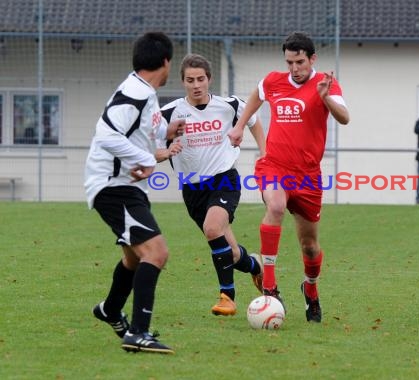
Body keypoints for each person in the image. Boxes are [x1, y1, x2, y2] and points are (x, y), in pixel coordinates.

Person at [228, 31, 350, 323]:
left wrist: (326, 99)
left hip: (308, 176)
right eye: (289, 62)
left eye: (299, 62)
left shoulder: (325, 84)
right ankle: (269, 285)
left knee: (309, 247)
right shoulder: (273, 80)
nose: (294, 68)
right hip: (275, 165)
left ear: (312, 59)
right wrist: (240, 126)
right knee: (276, 206)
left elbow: (345, 117)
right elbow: (257, 95)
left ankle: (310, 289)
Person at [84, 32, 184, 354]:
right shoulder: (135, 92)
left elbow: (138, 131)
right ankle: (139, 333)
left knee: (132, 258)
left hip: (128, 186)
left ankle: (110, 310)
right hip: (114, 187)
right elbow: (106, 135)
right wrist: (149, 158)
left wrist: (164, 133)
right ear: (166, 62)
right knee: (156, 252)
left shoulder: (145, 92)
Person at [160, 53, 266, 316]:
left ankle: (227, 297)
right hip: (192, 189)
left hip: (223, 180)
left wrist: (266, 154)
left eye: (200, 79)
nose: (196, 85)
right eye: (190, 80)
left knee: (212, 228)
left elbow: (253, 120)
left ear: (210, 79)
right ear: (182, 82)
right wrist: (167, 144)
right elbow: (151, 141)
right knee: (229, 254)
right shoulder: (169, 113)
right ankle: (256, 266)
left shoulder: (229, 105)